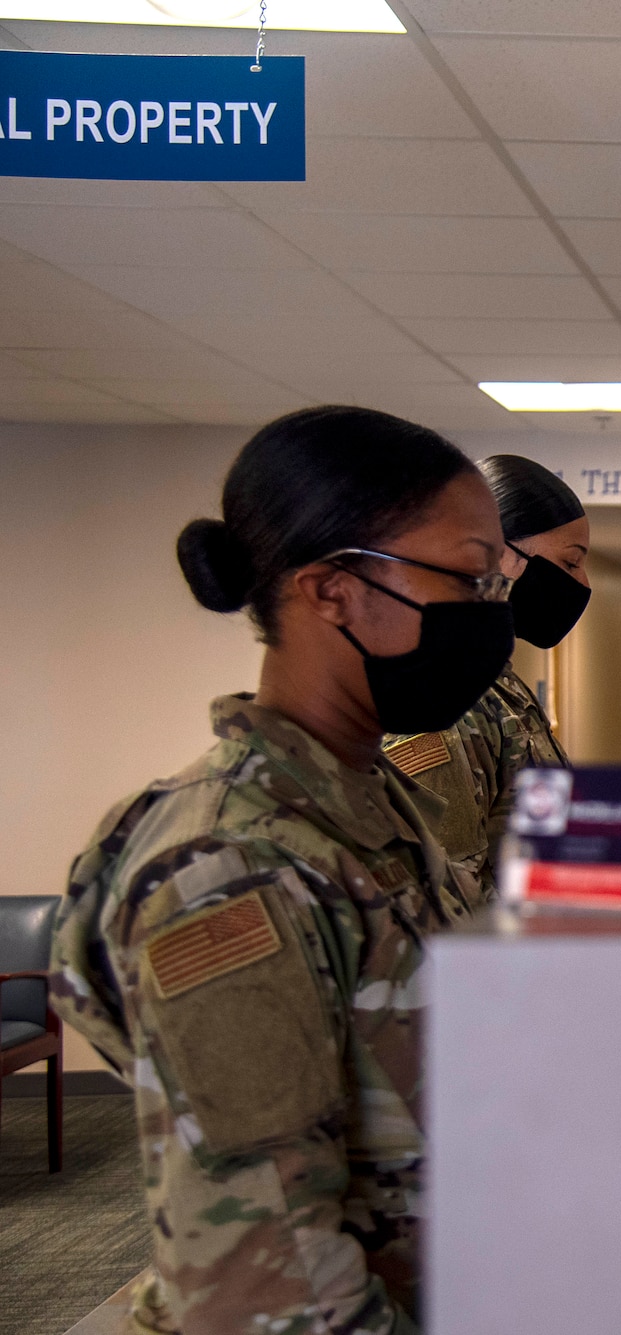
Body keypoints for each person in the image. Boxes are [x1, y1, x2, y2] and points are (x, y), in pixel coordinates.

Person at [49, 406, 515, 1334]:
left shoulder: (371, 801)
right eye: (468, 577)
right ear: (333, 590)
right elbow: (265, 1282)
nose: (490, 611)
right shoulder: (230, 866)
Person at [382, 454, 588, 894]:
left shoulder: (496, 683)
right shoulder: (444, 699)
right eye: (571, 564)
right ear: (495, 555)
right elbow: (447, 892)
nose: (583, 584)